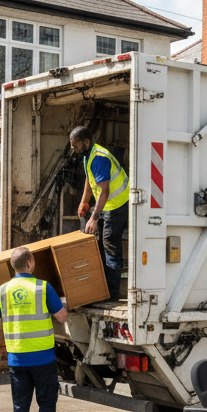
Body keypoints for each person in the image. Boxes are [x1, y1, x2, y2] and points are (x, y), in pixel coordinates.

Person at [0, 246, 69, 412]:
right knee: (46, 405)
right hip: (43, 358)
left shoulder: (3, 290)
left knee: (20, 408)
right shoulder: (42, 287)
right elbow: (62, 317)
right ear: (31, 263)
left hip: (17, 359)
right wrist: (63, 302)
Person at [70, 126, 128, 301]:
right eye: (72, 145)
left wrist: (94, 218)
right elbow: (90, 179)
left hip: (117, 205)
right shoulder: (88, 155)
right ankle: (101, 290)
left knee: (111, 246)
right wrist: (84, 201)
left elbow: (104, 191)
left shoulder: (99, 158)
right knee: (99, 245)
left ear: (86, 142)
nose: (74, 149)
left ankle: (112, 294)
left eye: (76, 145)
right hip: (108, 205)